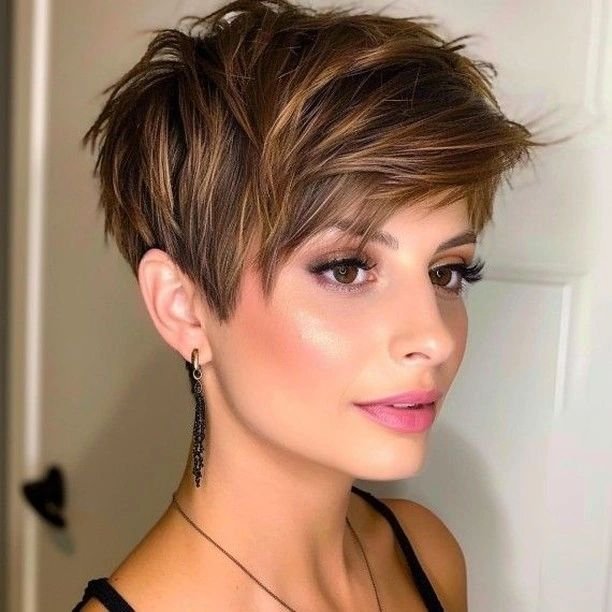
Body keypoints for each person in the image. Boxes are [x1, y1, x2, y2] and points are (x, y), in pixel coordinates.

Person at [72, 0, 538, 609]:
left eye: (445, 272)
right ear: (183, 306)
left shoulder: (425, 553)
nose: (435, 337)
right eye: (347, 269)